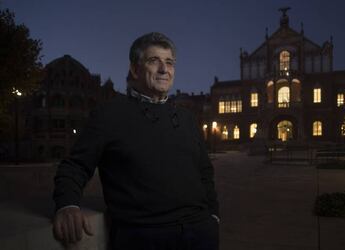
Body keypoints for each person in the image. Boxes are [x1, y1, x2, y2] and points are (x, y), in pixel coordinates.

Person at [52, 32, 220, 250]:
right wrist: (67, 204)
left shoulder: (187, 118)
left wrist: (214, 217)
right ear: (134, 69)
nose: (164, 69)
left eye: (169, 63)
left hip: (201, 235)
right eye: (154, 61)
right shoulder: (109, 114)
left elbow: (205, 173)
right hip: (144, 237)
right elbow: (74, 166)